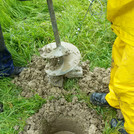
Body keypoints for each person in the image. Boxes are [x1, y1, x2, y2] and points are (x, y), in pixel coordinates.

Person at [90, 1, 134, 134]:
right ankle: (115, 100)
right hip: (127, 22)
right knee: (118, 64)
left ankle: (131, 128)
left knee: (126, 84)